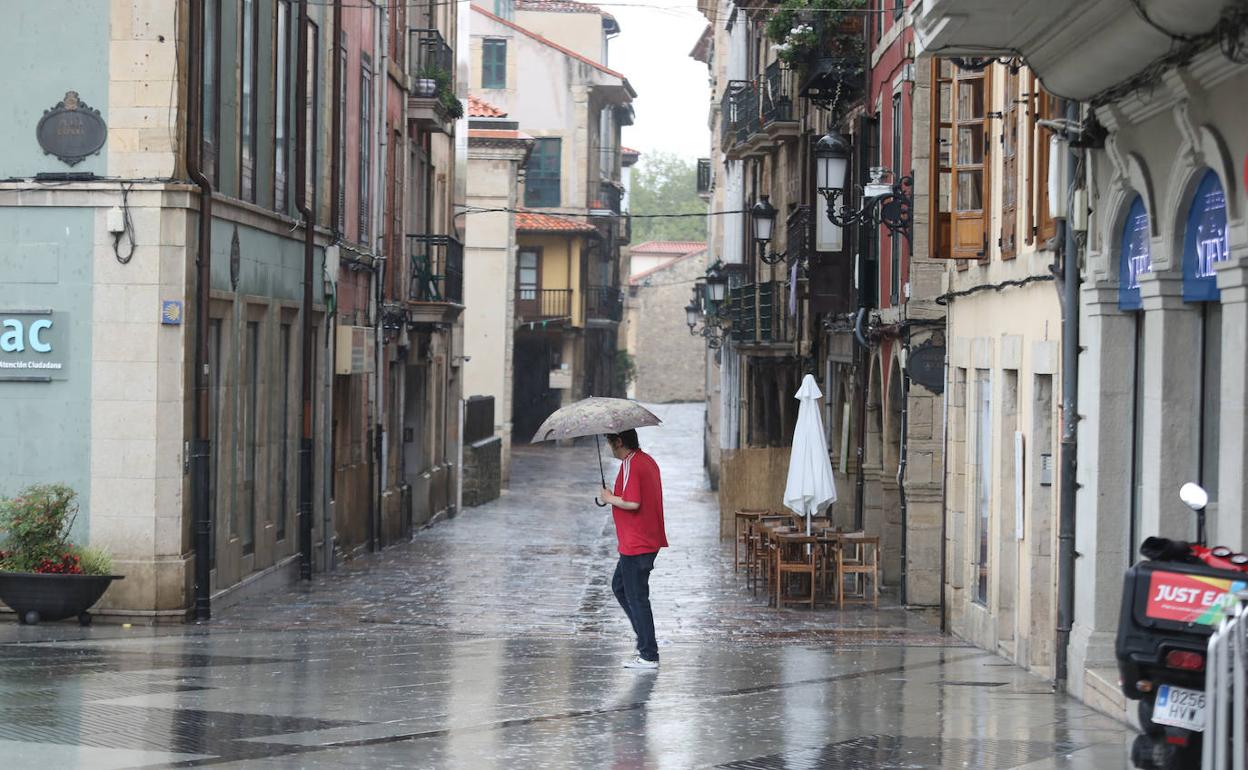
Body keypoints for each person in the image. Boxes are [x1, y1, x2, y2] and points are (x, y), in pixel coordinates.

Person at [598, 429, 667, 670]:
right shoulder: (645, 460)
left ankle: (648, 653)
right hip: (643, 541)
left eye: (609, 442)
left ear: (618, 441)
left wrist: (608, 497)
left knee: (637, 597)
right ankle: (644, 637)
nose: (608, 447)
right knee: (620, 587)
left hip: (636, 543)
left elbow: (633, 502)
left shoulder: (631, 464)